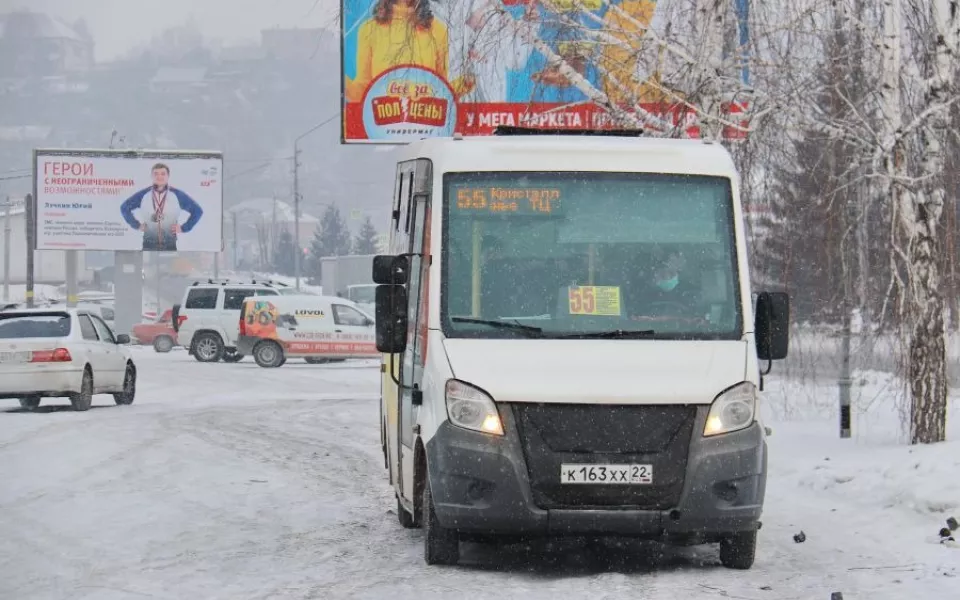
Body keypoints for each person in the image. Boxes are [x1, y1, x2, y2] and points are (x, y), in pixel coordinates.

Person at [120, 163, 203, 252]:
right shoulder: (143, 195)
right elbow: (124, 207)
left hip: (170, 244)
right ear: (151, 176)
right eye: (156, 174)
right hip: (148, 243)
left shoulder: (177, 195)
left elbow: (197, 211)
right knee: (148, 266)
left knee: (169, 265)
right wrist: (136, 225)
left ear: (168, 176)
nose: (159, 177)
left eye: (163, 174)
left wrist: (184, 228)